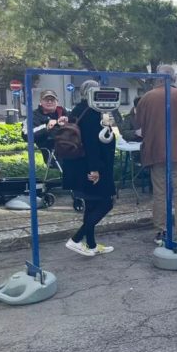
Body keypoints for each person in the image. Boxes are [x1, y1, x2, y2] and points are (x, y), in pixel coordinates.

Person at [136, 65, 177, 246]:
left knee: (160, 194)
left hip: (155, 151)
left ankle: (161, 232)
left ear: (156, 78)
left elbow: (138, 123)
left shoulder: (146, 98)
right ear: (174, 78)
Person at [62, 80, 116, 256]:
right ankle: (76, 239)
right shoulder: (92, 113)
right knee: (106, 203)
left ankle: (91, 245)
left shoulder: (78, 110)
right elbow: (92, 143)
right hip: (93, 166)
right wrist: (94, 169)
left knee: (92, 205)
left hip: (79, 165)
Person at [21, 90, 69, 165]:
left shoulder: (66, 112)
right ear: (40, 101)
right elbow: (26, 135)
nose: (49, 102)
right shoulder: (33, 116)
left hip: (73, 148)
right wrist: (46, 127)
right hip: (52, 153)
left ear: (57, 102)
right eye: (46, 100)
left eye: (52, 100)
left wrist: (68, 123)